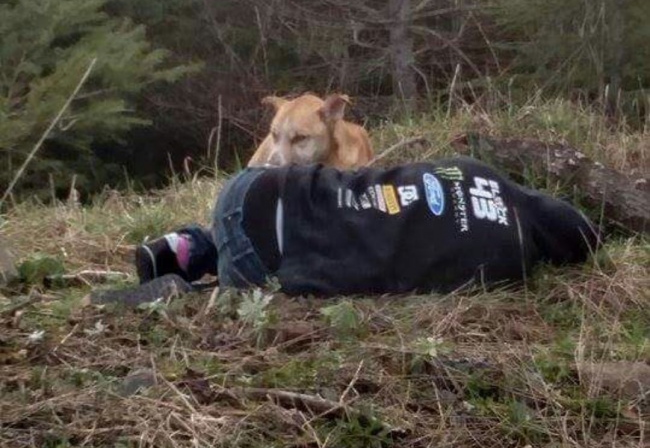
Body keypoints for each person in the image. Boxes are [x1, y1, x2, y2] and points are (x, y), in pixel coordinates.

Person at [132, 157, 600, 299]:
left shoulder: (478, 169)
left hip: (253, 187)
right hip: (264, 262)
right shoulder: (508, 263)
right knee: (267, 276)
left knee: (342, 205)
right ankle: (188, 294)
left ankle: (188, 246)